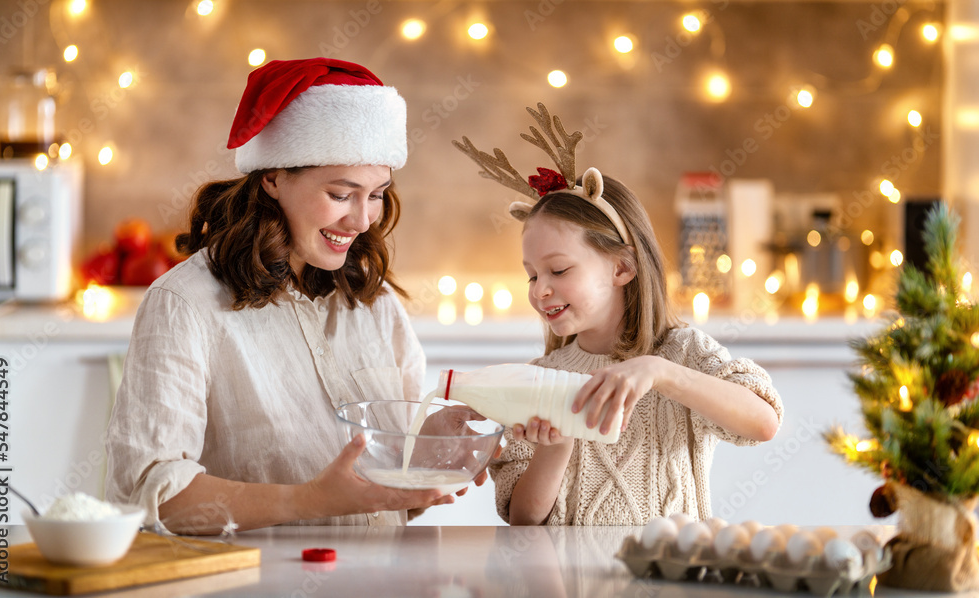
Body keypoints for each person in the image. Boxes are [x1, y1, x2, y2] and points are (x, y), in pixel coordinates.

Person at [106, 58, 471, 534]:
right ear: (273, 178)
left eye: (378, 194)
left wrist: (428, 449)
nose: (363, 221)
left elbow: (388, 488)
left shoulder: (373, 304)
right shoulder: (185, 305)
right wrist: (310, 501)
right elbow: (149, 493)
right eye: (342, 194)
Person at [454, 104, 783, 525]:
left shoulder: (682, 353)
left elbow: (763, 423)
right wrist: (556, 446)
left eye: (558, 270)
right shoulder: (540, 377)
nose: (541, 290)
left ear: (622, 267)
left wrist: (661, 372)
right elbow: (523, 519)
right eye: (532, 275)